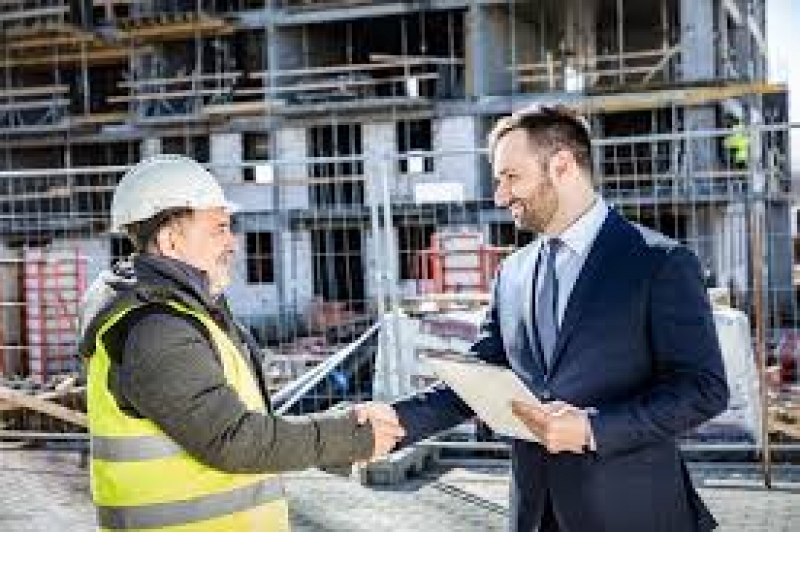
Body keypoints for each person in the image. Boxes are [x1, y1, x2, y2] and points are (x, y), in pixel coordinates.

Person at [389, 104, 730, 531]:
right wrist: (395, 421)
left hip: (632, 517)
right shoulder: (511, 273)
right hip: (534, 518)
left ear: (562, 166)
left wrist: (593, 429)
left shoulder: (659, 262)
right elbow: (479, 379)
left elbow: (704, 389)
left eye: (511, 177)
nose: (500, 195)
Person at [79, 154, 404, 532]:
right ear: (170, 241)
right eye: (219, 228)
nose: (232, 242)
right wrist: (350, 438)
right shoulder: (154, 327)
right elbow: (233, 439)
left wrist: (340, 441)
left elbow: (251, 419)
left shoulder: (190, 311)